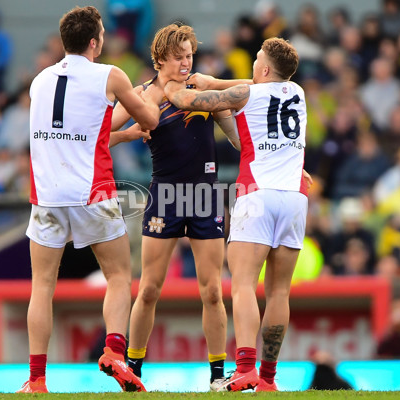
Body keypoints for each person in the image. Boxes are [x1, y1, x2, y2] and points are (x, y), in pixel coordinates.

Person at [17, 6, 159, 394]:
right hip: (91, 193)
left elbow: (72, 137)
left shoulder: (40, 81)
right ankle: (114, 351)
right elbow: (151, 119)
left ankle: (36, 380)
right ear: (95, 41)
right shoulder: (110, 75)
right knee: (118, 275)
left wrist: (122, 135)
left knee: (42, 286)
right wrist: (145, 93)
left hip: (46, 197)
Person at [165, 37, 308, 392]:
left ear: (262, 69)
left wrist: (168, 83)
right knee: (279, 293)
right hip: (294, 197)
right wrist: (214, 81)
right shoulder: (298, 92)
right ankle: (268, 379)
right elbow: (248, 86)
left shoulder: (247, 95)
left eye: (256, 60)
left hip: (256, 193)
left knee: (243, 284)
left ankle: (244, 368)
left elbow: (187, 101)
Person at [109, 23, 240, 392]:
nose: (186, 62)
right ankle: (133, 368)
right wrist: (126, 135)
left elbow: (236, 140)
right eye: (179, 56)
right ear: (160, 58)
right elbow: (103, 133)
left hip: (204, 194)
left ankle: (217, 376)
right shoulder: (142, 96)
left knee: (212, 290)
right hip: (164, 194)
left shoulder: (201, 87)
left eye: (190, 55)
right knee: (149, 288)